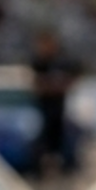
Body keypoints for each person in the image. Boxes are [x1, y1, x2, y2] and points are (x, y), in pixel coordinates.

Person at [28, 26, 81, 175]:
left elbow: (71, 79)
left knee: (64, 139)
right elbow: (38, 85)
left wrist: (57, 85)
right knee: (42, 141)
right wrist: (52, 85)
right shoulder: (38, 62)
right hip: (43, 109)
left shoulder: (62, 60)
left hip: (59, 108)